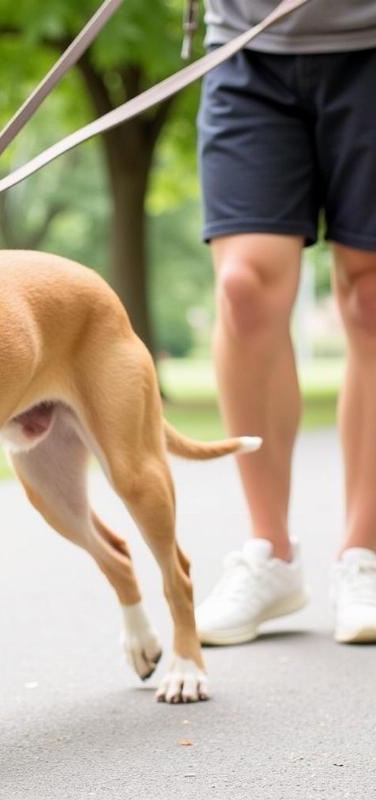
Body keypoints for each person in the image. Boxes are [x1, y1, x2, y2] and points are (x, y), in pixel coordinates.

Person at [194, 0, 376, 645]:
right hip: (248, 49)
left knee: (371, 298)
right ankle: (270, 552)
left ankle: (364, 555)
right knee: (243, 291)